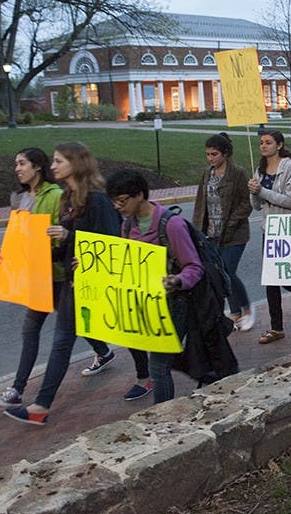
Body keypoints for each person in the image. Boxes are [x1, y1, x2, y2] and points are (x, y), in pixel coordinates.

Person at [3, 142, 120, 425]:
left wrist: (70, 238)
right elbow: (66, 247)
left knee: (72, 339)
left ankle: (147, 375)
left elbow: (112, 242)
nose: (52, 166)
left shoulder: (97, 200)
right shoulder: (69, 198)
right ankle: (41, 406)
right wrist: (17, 255)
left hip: (91, 281)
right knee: (62, 341)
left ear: (76, 164)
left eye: (58, 161)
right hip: (72, 280)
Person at [106, 169, 203, 405]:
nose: (118, 207)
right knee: (160, 364)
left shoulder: (172, 225)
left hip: (174, 304)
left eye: (122, 201)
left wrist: (177, 280)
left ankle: (162, 415)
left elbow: (194, 267)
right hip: (147, 305)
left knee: (158, 365)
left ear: (139, 195)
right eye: (115, 202)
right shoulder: (127, 226)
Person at [247, 130, 291, 344]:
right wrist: (253, 192)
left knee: (286, 278)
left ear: (279, 145)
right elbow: (256, 206)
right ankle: (276, 327)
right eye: (261, 143)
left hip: (287, 228)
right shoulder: (260, 169)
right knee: (271, 281)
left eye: (268, 142)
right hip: (269, 229)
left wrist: (262, 191)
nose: (263, 146)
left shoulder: (288, 166)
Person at [192, 133, 253, 331]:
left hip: (234, 233)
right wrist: (196, 230)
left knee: (228, 270)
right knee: (220, 274)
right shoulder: (207, 173)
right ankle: (234, 312)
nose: (210, 158)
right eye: (208, 154)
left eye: (214, 154)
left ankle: (246, 309)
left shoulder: (237, 173)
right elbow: (201, 203)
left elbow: (247, 202)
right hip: (211, 233)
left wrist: (233, 220)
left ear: (225, 153)